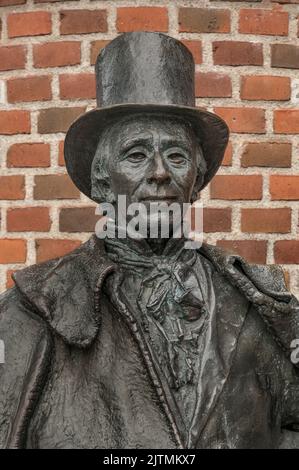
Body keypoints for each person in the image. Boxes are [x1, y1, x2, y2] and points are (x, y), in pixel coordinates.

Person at [0, 32, 299, 449]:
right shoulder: (33, 309)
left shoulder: (259, 300)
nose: (160, 172)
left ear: (196, 182)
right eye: (137, 154)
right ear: (102, 181)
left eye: (176, 156)